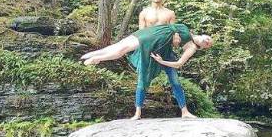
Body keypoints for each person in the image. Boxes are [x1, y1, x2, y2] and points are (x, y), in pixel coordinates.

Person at [81, 23, 213, 120]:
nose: (207, 41)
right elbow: (169, 24)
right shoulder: (186, 28)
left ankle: (184, 111)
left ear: (203, 47)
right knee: (121, 45)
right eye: (208, 38)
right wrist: (175, 33)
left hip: (160, 50)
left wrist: (162, 62)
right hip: (152, 34)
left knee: (170, 80)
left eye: (208, 44)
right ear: (204, 34)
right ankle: (94, 54)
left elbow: (179, 64)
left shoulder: (191, 47)